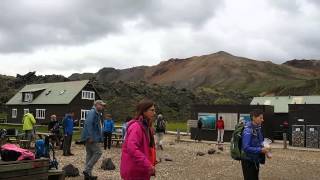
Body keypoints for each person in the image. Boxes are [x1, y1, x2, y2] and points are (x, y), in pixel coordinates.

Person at [120, 99, 156, 180]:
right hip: (135, 171)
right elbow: (132, 148)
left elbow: (145, 147)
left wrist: (152, 159)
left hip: (140, 169)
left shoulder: (146, 126)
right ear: (144, 111)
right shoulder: (136, 127)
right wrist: (147, 164)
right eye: (152, 110)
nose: (154, 113)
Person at [241, 109, 271, 180]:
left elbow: (260, 142)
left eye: (262, 118)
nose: (262, 120)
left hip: (255, 160)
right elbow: (246, 148)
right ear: (254, 117)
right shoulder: (247, 130)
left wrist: (266, 149)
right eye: (260, 118)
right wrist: (261, 150)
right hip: (248, 161)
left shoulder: (258, 129)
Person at [81, 100, 106, 180]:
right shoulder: (92, 112)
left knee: (90, 154)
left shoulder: (95, 113)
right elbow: (88, 124)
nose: (103, 107)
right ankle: (87, 170)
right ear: (97, 104)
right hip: (91, 137)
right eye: (102, 105)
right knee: (98, 152)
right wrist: (90, 136)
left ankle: (87, 175)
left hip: (91, 137)